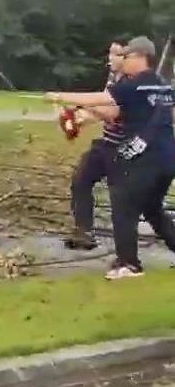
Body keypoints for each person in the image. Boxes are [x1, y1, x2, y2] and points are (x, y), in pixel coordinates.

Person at [46, 36, 175, 280]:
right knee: (152, 208)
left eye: (126, 56)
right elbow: (116, 111)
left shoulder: (134, 85)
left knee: (123, 203)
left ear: (139, 57)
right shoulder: (163, 86)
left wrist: (60, 97)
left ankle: (130, 264)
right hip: (167, 158)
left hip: (146, 159)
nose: (121, 60)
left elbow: (101, 100)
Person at [66, 42, 126, 250]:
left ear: (128, 57)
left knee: (127, 197)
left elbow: (112, 111)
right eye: (110, 53)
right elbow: (102, 109)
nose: (110, 58)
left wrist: (82, 105)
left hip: (126, 149)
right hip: (107, 143)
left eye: (116, 54)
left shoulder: (131, 83)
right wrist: (78, 119)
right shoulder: (112, 79)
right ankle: (85, 232)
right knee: (80, 179)